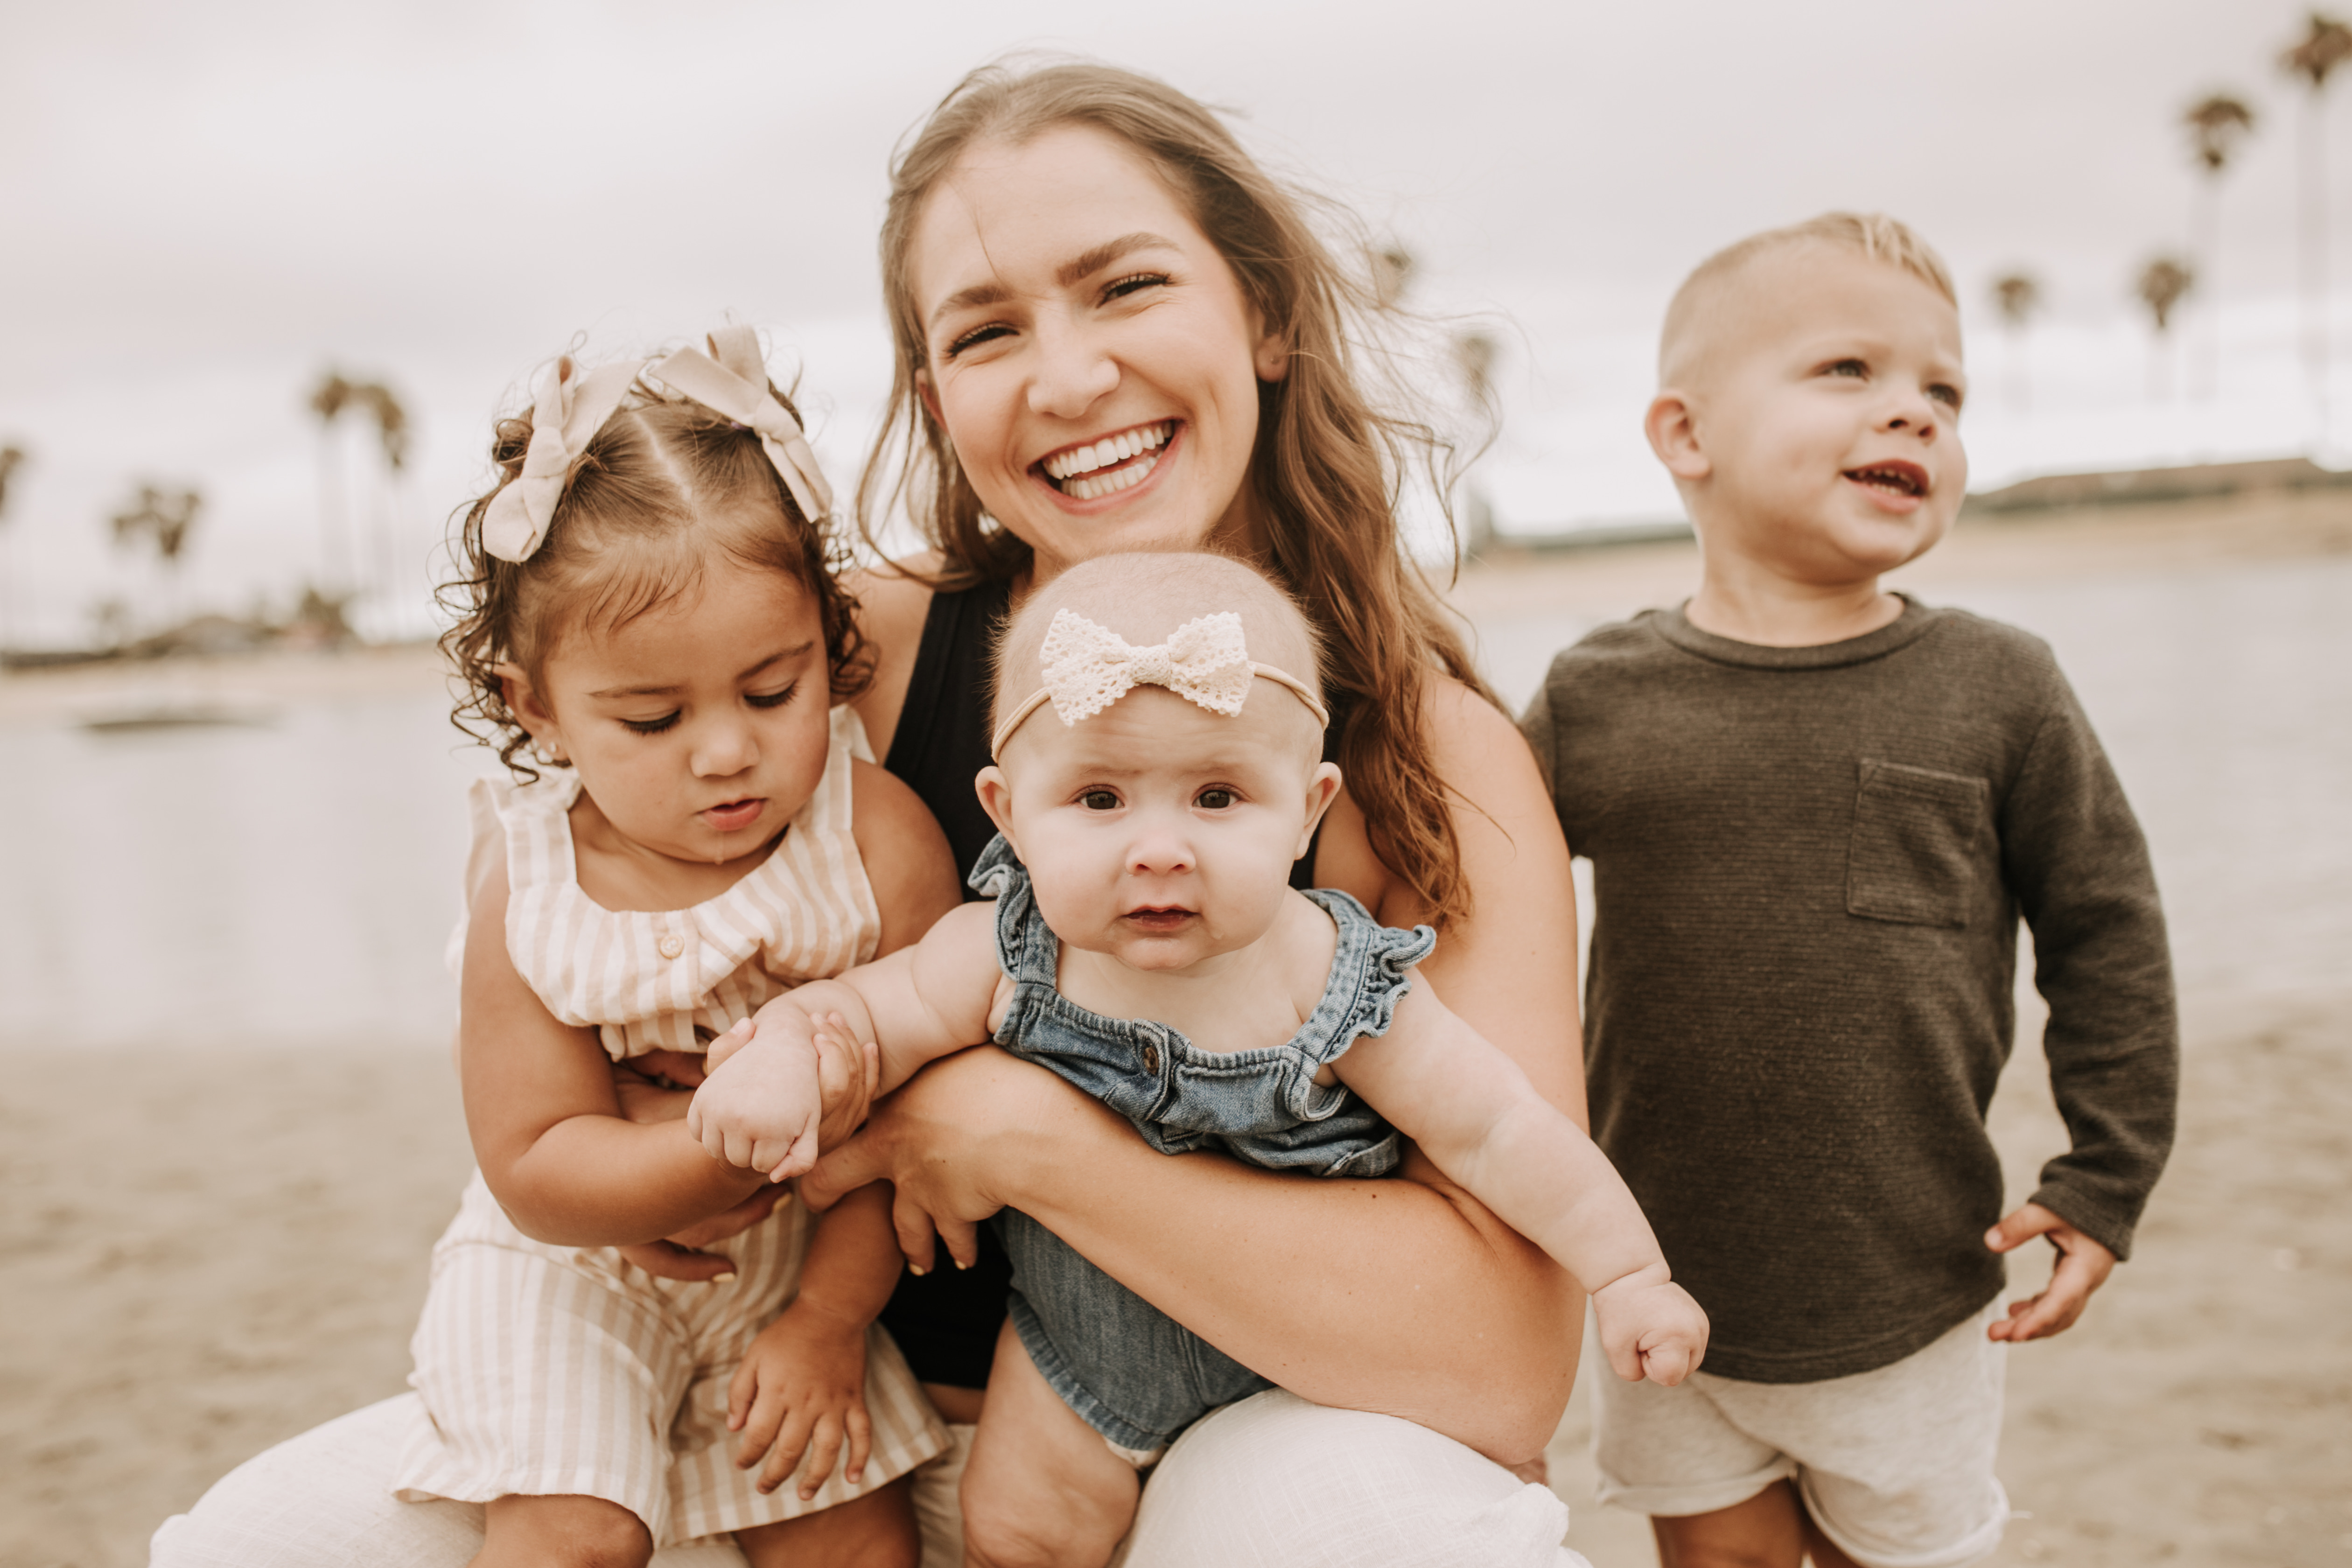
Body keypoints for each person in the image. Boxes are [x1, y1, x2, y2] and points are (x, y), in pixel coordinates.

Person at [151, 61, 1591, 1568]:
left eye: (1125, 287)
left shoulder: (1420, 751)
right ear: (932, 397)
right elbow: (572, 806)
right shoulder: (836, 661)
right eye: (987, 331)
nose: (1067, 376)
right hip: (805, 1427)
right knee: (251, 1544)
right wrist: (646, 1147)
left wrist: (1024, 1137)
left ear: (1266, 314)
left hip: (1208, 1453)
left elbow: (1502, 1357)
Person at [693, 552, 1707, 1565]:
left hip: (1315, 1359)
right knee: (1012, 1530)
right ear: (1007, 813)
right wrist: (784, 1060)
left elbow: (1497, 1127)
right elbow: (858, 1021)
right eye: (1100, 800)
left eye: (1217, 798)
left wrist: (1627, 1271)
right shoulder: (1002, 950)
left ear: (1308, 810)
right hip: (1087, 1358)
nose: (1161, 849)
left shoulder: (1326, 976)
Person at [1518, 213, 2180, 1568]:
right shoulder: (1597, 698)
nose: (1913, 413)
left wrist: (2107, 1171)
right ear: (1686, 436)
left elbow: (2108, 932)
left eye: (1944, 391)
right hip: (1664, 1280)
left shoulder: (2000, 686)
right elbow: (1465, 899)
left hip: (1914, 1285)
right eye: (1848, 371)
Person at [396, 329, 954, 1567]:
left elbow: (918, 1116)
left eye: (773, 690)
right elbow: (536, 1158)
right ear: (531, 704)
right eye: (651, 717)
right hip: (571, 1275)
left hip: (810, 1271)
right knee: (576, 1536)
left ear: (828, 637)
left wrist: (825, 1320)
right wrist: (717, 1161)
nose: (724, 753)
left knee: (855, 1543)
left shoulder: (875, 839)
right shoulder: (530, 878)